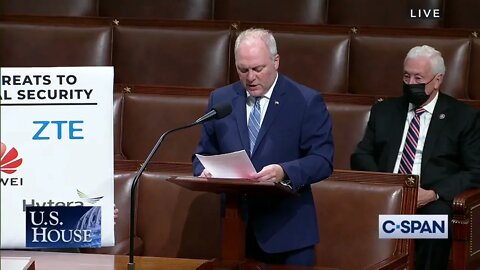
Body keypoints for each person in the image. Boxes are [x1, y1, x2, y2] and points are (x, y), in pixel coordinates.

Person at [192, 28, 334, 266]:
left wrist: (284, 171)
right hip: (235, 230)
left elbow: (322, 159)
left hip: (289, 235)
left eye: (258, 69)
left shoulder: (305, 101)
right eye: (243, 70)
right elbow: (202, 154)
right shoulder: (221, 100)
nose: (250, 77)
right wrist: (203, 171)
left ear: (276, 61)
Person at [351, 45, 480, 270]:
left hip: (431, 199)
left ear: (437, 80)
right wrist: (386, 186)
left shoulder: (463, 117)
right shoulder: (385, 111)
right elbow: (362, 155)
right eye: (406, 76)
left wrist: (434, 193)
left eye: (418, 77)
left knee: (433, 222)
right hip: (385, 196)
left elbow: (475, 170)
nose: (411, 83)